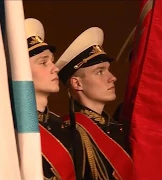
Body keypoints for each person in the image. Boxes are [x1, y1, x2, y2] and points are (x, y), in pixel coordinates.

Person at [55, 27, 133, 180]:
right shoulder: (71, 133)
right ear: (77, 83)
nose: (112, 78)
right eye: (99, 71)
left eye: (108, 70)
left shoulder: (118, 127)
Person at [24, 18, 75, 180]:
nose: (55, 68)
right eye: (43, 62)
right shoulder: (9, 128)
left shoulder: (62, 126)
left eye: (51, 61)